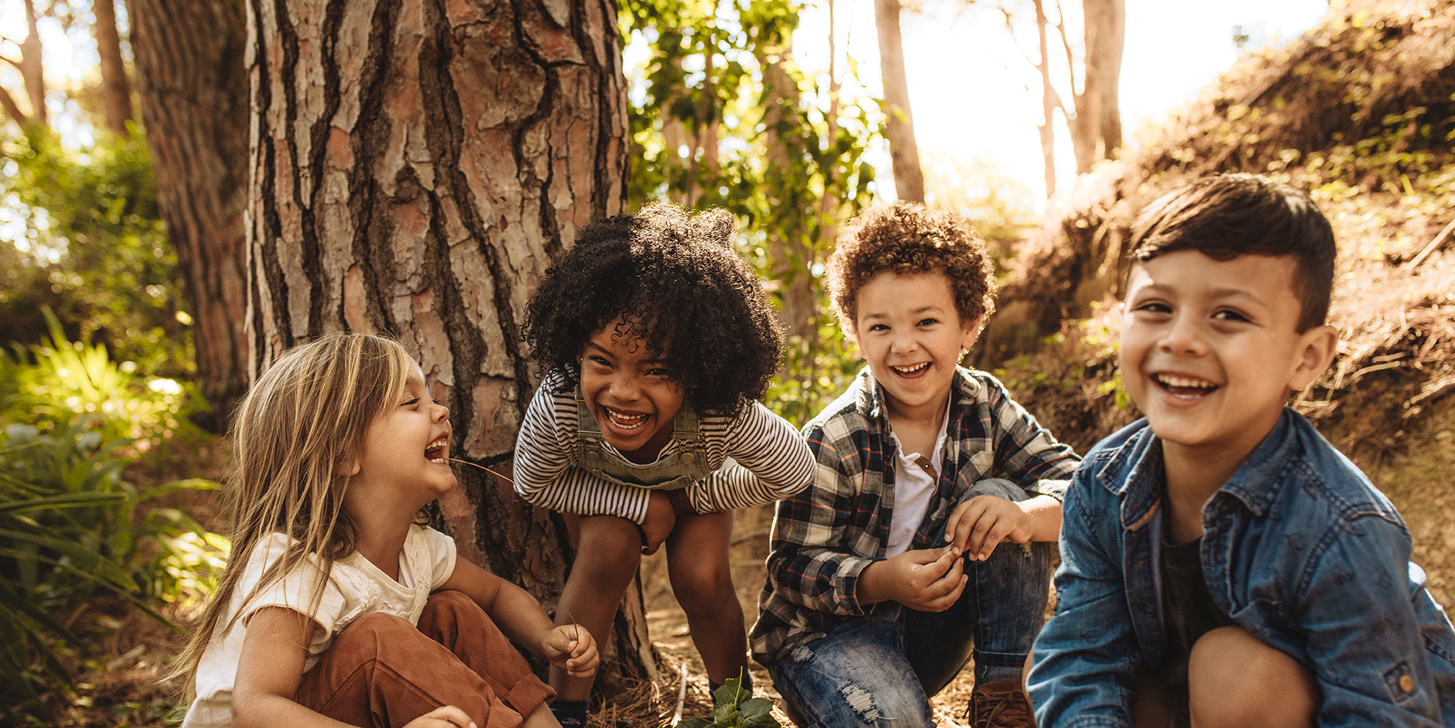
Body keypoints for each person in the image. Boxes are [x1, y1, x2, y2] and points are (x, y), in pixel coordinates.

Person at [1027, 174, 1455, 727]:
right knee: (1066, 662)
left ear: (1305, 358)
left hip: (1330, 706)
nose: (1180, 339)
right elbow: (1083, 658)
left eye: (1228, 315)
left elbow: (1383, 715)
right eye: (1156, 306)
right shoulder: (1104, 484)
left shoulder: (1340, 526)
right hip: (1194, 699)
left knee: (1231, 671)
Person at [751, 203, 1081, 728]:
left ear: (968, 325)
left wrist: (1028, 515)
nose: (904, 345)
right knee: (894, 720)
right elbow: (790, 567)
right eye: (880, 327)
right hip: (827, 639)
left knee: (1004, 499)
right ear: (856, 335)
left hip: (930, 633)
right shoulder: (835, 436)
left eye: (926, 321)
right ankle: (844, 700)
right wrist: (880, 580)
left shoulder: (985, 404)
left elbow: (1084, 489)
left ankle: (1002, 697)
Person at [170, 333, 598, 728]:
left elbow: (495, 594)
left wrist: (544, 636)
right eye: (410, 403)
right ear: (342, 453)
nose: (441, 410)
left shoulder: (417, 549)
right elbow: (256, 707)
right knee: (380, 639)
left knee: (453, 611)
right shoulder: (299, 566)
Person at [513, 203, 815, 727]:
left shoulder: (721, 414)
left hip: (695, 490)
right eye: (602, 361)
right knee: (608, 547)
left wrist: (681, 500)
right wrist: (636, 502)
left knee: (701, 579)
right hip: (602, 495)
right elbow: (533, 482)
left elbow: (793, 472)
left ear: (698, 372)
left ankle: (738, 709)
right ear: (576, 350)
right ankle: (566, 712)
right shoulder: (561, 403)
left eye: (656, 370)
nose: (623, 391)